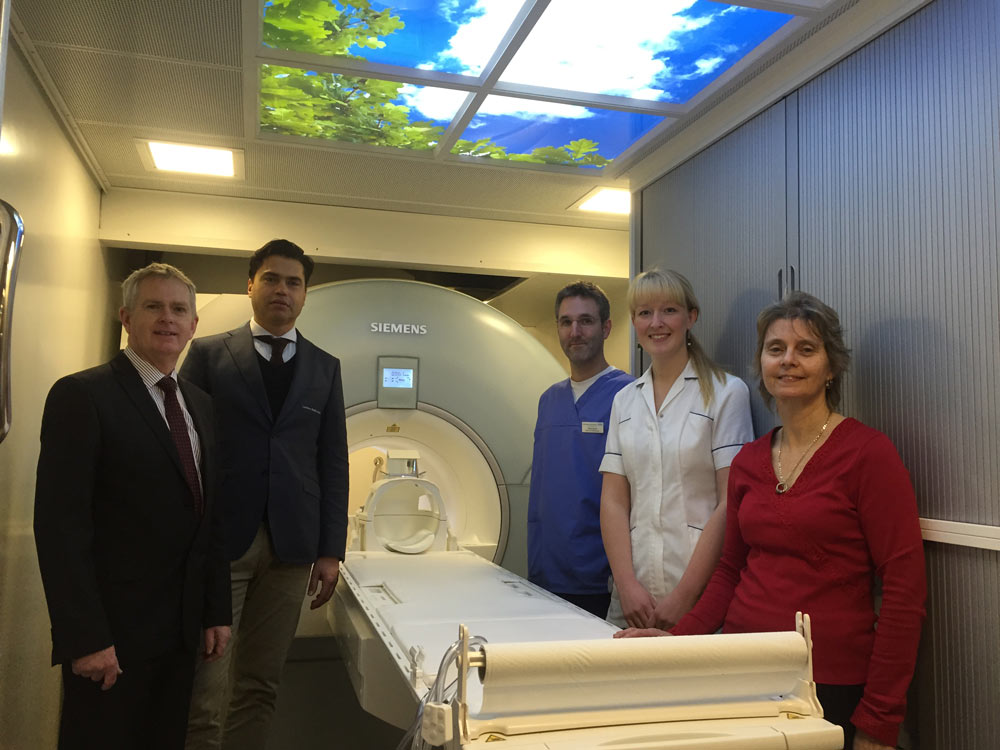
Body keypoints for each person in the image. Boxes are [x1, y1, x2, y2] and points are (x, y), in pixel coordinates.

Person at [621, 292, 926, 750]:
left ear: (831, 367)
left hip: (826, 685)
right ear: (761, 362)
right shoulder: (749, 462)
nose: (788, 361)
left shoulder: (868, 454)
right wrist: (674, 640)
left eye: (806, 349)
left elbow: (904, 590)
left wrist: (879, 719)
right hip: (742, 671)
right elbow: (728, 574)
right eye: (775, 348)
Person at [33, 263, 232, 750]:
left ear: (193, 325)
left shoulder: (200, 404)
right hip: (113, 637)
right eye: (153, 306)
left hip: (180, 632)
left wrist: (214, 611)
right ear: (126, 317)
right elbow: (61, 528)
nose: (168, 318)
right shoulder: (83, 395)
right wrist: (85, 638)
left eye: (179, 309)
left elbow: (207, 518)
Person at [181, 239, 348, 750]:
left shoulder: (325, 366)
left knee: (261, 682)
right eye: (272, 279)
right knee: (205, 685)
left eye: (294, 282)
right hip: (221, 541)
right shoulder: (210, 353)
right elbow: (183, 444)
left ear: (305, 294)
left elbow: (332, 461)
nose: (283, 290)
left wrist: (330, 549)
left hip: (292, 546)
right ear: (250, 285)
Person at [599, 269, 753, 630]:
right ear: (634, 321)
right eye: (644, 313)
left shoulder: (726, 392)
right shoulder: (625, 400)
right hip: (631, 598)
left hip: (697, 597)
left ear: (691, 317)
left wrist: (685, 596)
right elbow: (614, 501)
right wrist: (627, 586)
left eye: (669, 310)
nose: (656, 323)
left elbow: (730, 501)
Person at [527, 281, 633, 618]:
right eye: (566, 322)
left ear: (606, 328)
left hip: (600, 579)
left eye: (586, 321)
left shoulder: (629, 395)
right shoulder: (549, 400)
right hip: (545, 575)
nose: (575, 331)